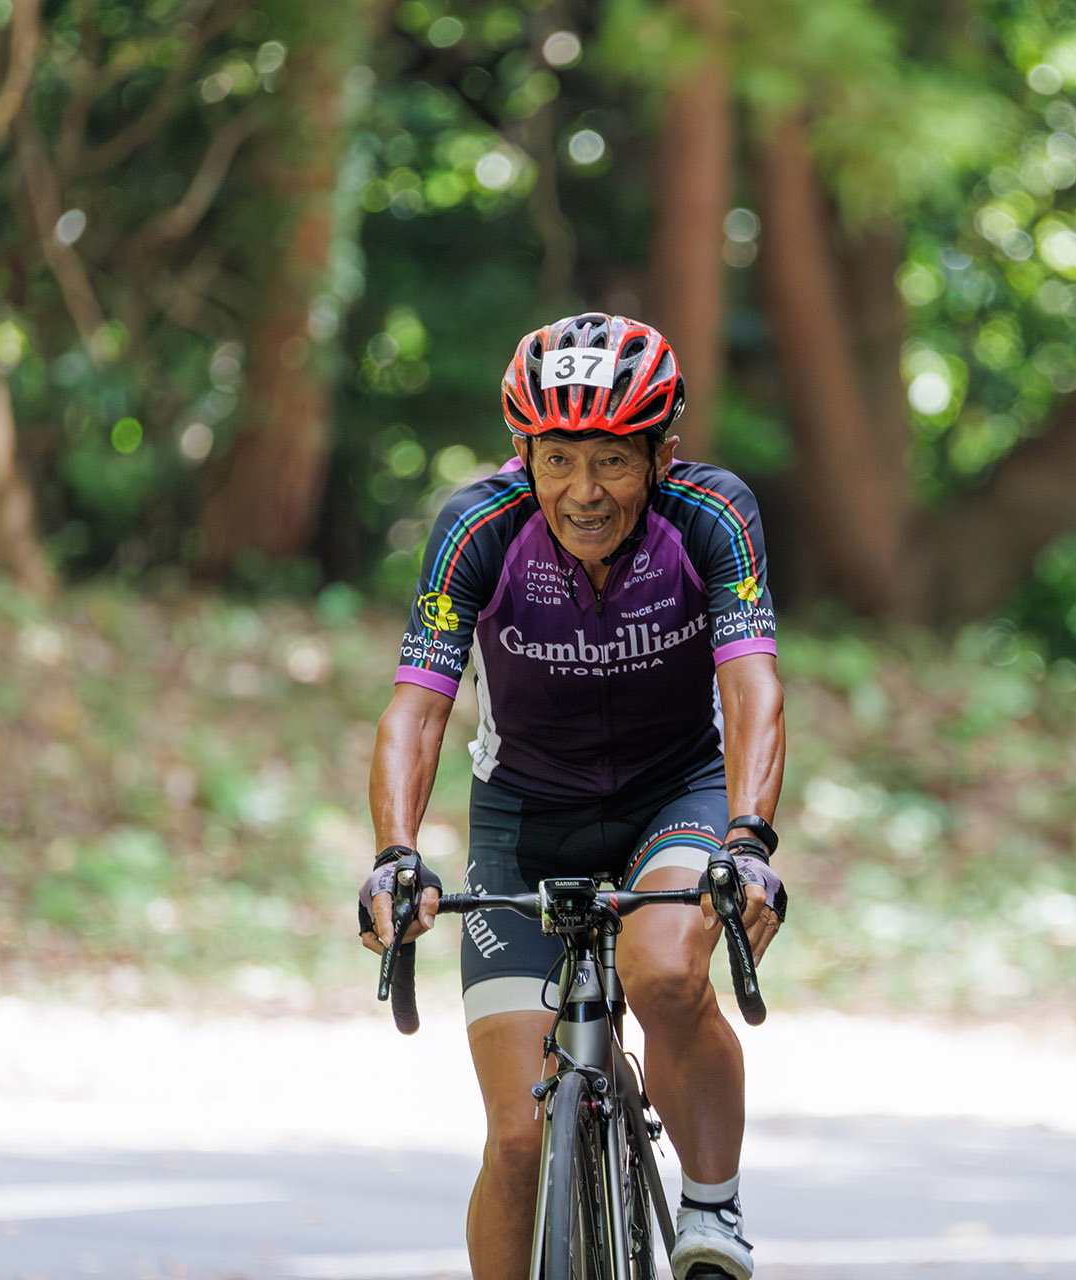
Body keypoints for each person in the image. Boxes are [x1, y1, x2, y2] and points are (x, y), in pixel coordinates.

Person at [357, 313, 787, 1280]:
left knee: (664, 969)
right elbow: (418, 708)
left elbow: (753, 686)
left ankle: (711, 1211)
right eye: (557, 460)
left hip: (676, 795)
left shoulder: (711, 516)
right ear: (525, 455)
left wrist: (749, 840)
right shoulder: (478, 527)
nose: (582, 491)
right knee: (517, 1140)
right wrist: (395, 854)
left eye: (611, 462)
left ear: (661, 455)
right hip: (526, 817)